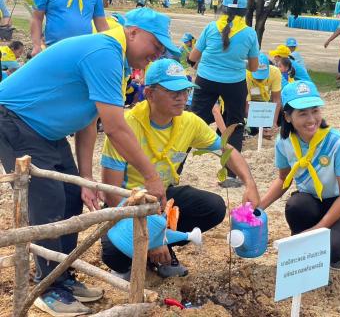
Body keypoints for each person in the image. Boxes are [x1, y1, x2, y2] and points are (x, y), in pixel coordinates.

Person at [0, 7, 180, 316]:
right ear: (133, 33)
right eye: (156, 44)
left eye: (163, 49)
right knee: (48, 198)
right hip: (15, 120)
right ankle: (46, 286)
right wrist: (151, 177)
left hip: (47, 131)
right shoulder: (105, 51)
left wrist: (86, 179)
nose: (158, 53)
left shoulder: (118, 62)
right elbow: (116, 127)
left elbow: (88, 120)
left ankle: (62, 275)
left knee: (71, 195)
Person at [100, 58, 260, 278]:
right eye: (173, 92)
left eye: (185, 90)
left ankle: (163, 249)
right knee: (114, 254)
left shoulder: (189, 122)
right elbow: (110, 193)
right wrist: (152, 236)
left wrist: (250, 184)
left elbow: (226, 150)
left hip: (162, 198)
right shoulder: (125, 126)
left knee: (213, 207)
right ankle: (149, 253)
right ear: (149, 94)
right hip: (127, 204)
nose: (182, 98)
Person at [259, 80, 340, 270]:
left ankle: (330, 250)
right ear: (288, 117)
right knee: (296, 205)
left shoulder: (337, 142)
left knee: (333, 248)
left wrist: (319, 228)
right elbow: (283, 179)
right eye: (302, 113)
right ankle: (303, 239)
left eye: (315, 111)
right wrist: (259, 208)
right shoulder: (284, 143)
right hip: (309, 202)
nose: (311, 119)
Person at [189, 0, 259, 188]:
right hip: (235, 83)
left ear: (222, 7)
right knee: (234, 126)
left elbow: (192, 57)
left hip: (206, 80)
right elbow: (254, 68)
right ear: (245, 11)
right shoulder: (249, 33)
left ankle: (175, 167)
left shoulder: (210, 28)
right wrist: (236, 61)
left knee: (192, 122)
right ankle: (231, 175)